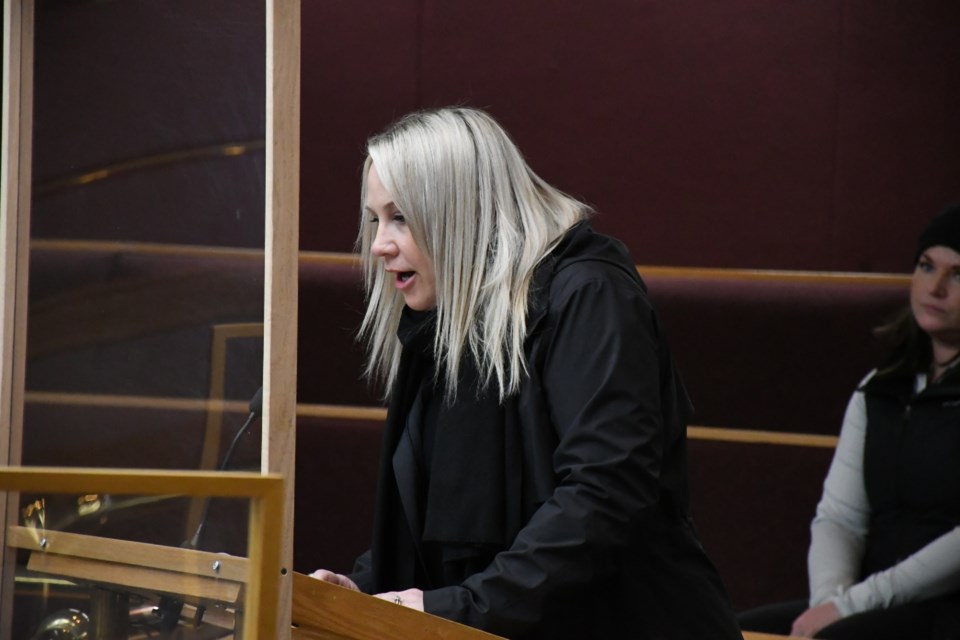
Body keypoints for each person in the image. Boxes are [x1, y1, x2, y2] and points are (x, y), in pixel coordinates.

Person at [310, 107, 741, 639]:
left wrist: (457, 609)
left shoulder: (589, 294)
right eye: (375, 219)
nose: (378, 244)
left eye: (400, 216)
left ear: (460, 211)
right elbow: (449, 528)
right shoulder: (442, 323)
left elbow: (605, 493)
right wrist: (365, 591)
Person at [739, 202, 960, 640]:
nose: (935, 287)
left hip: (942, 608)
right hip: (865, 599)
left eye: (958, 274)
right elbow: (839, 516)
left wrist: (852, 606)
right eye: (926, 266)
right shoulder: (881, 387)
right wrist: (829, 600)